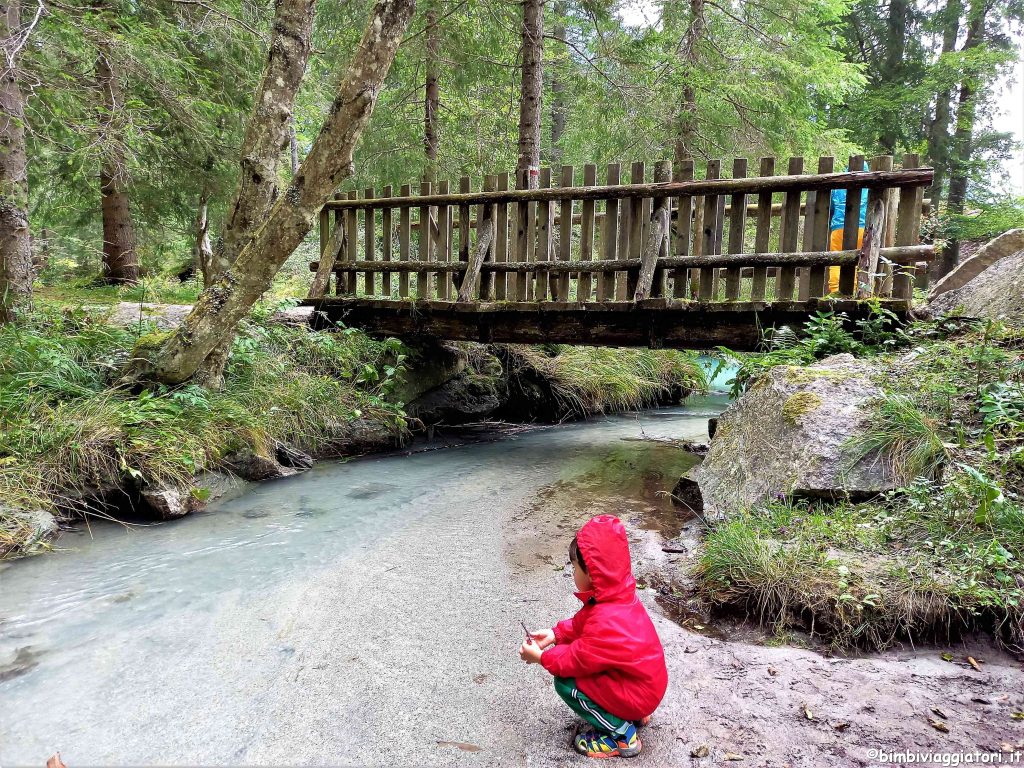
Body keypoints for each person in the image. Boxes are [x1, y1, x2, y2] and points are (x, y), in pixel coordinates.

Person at [518, 514, 668, 759]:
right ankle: (631, 712)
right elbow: (582, 624)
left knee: (566, 683)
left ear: (593, 573)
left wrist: (542, 658)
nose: (573, 573)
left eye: (575, 567)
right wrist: (555, 634)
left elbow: (574, 661)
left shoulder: (605, 620)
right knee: (578, 658)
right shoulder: (617, 598)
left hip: (639, 694)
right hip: (645, 685)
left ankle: (622, 735)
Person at [828, 160, 869, 293]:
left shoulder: (838, 185)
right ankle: (858, 291)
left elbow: (831, 207)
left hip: (838, 227)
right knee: (860, 260)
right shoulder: (869, 185)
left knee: (836, 260)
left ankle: (834, 291)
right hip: (861, 227)